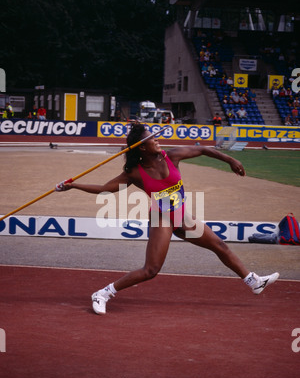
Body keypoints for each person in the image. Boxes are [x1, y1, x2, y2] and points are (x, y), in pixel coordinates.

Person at [56, 122, 279, 315]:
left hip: (181, 215)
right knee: (150, 270)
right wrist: (73, 185)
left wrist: (229, 159)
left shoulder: (172, 156)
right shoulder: (134, 173)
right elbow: (105, 189)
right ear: (142, 147)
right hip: (161, 218)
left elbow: (203, 151)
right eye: (152, 139)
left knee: (219, 245)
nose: (157, 140)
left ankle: (253, 281)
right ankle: (102, 293)